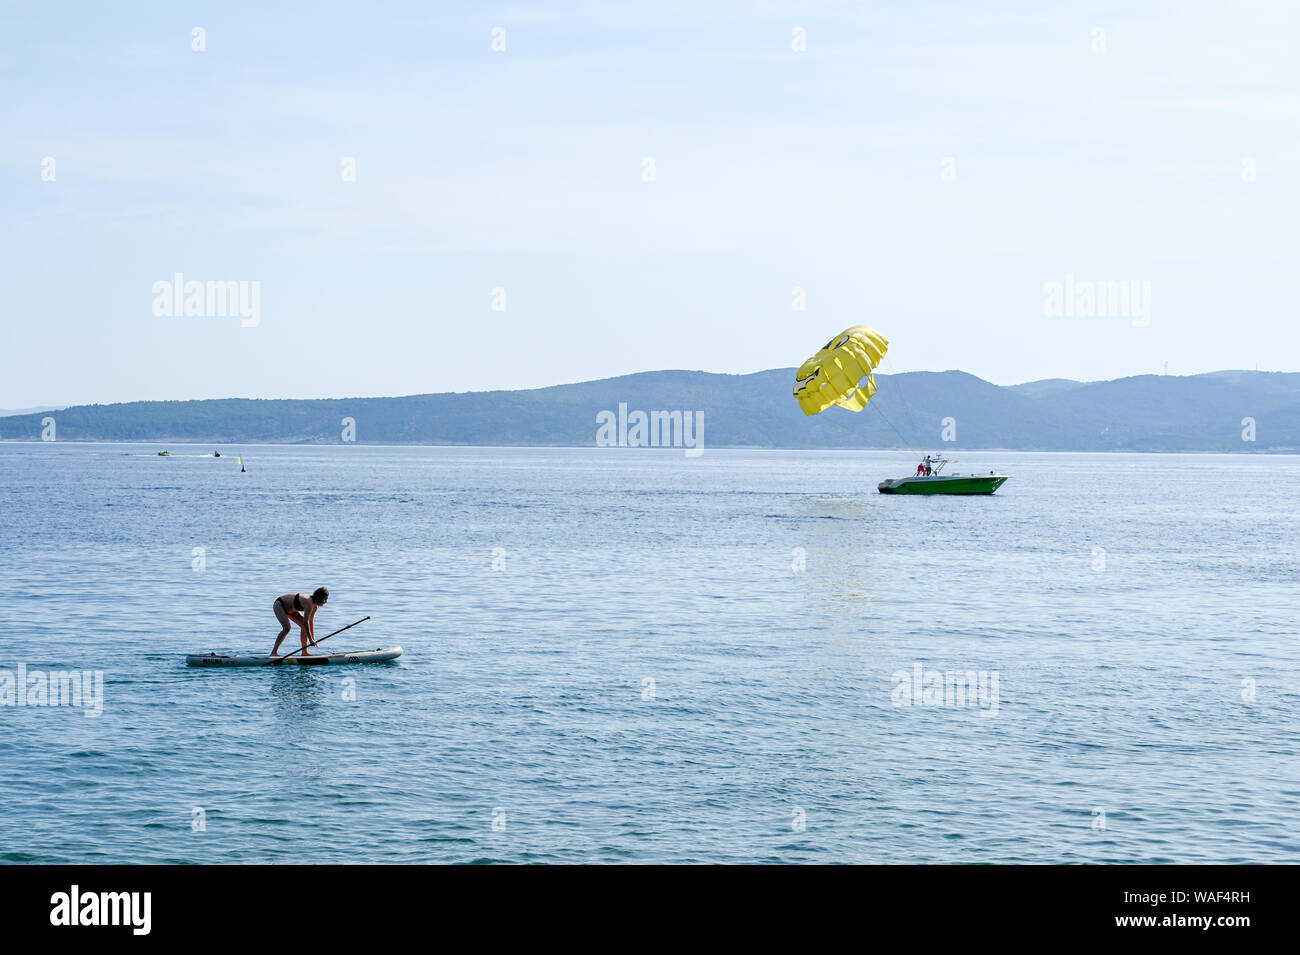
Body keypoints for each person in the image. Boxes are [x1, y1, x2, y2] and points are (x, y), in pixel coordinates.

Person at [271, 587, 329, 656]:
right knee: (287, 628)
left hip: (291, 610)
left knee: (304, 627)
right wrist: (310, 639)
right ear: (320, 598)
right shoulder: (309, 603)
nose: (326, 601)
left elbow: (310, 622)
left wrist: (313, 638)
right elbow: (305, 621)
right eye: (325, 599)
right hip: (280, 605)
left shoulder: (314, 607)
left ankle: (304, 652)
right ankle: (274, 652)